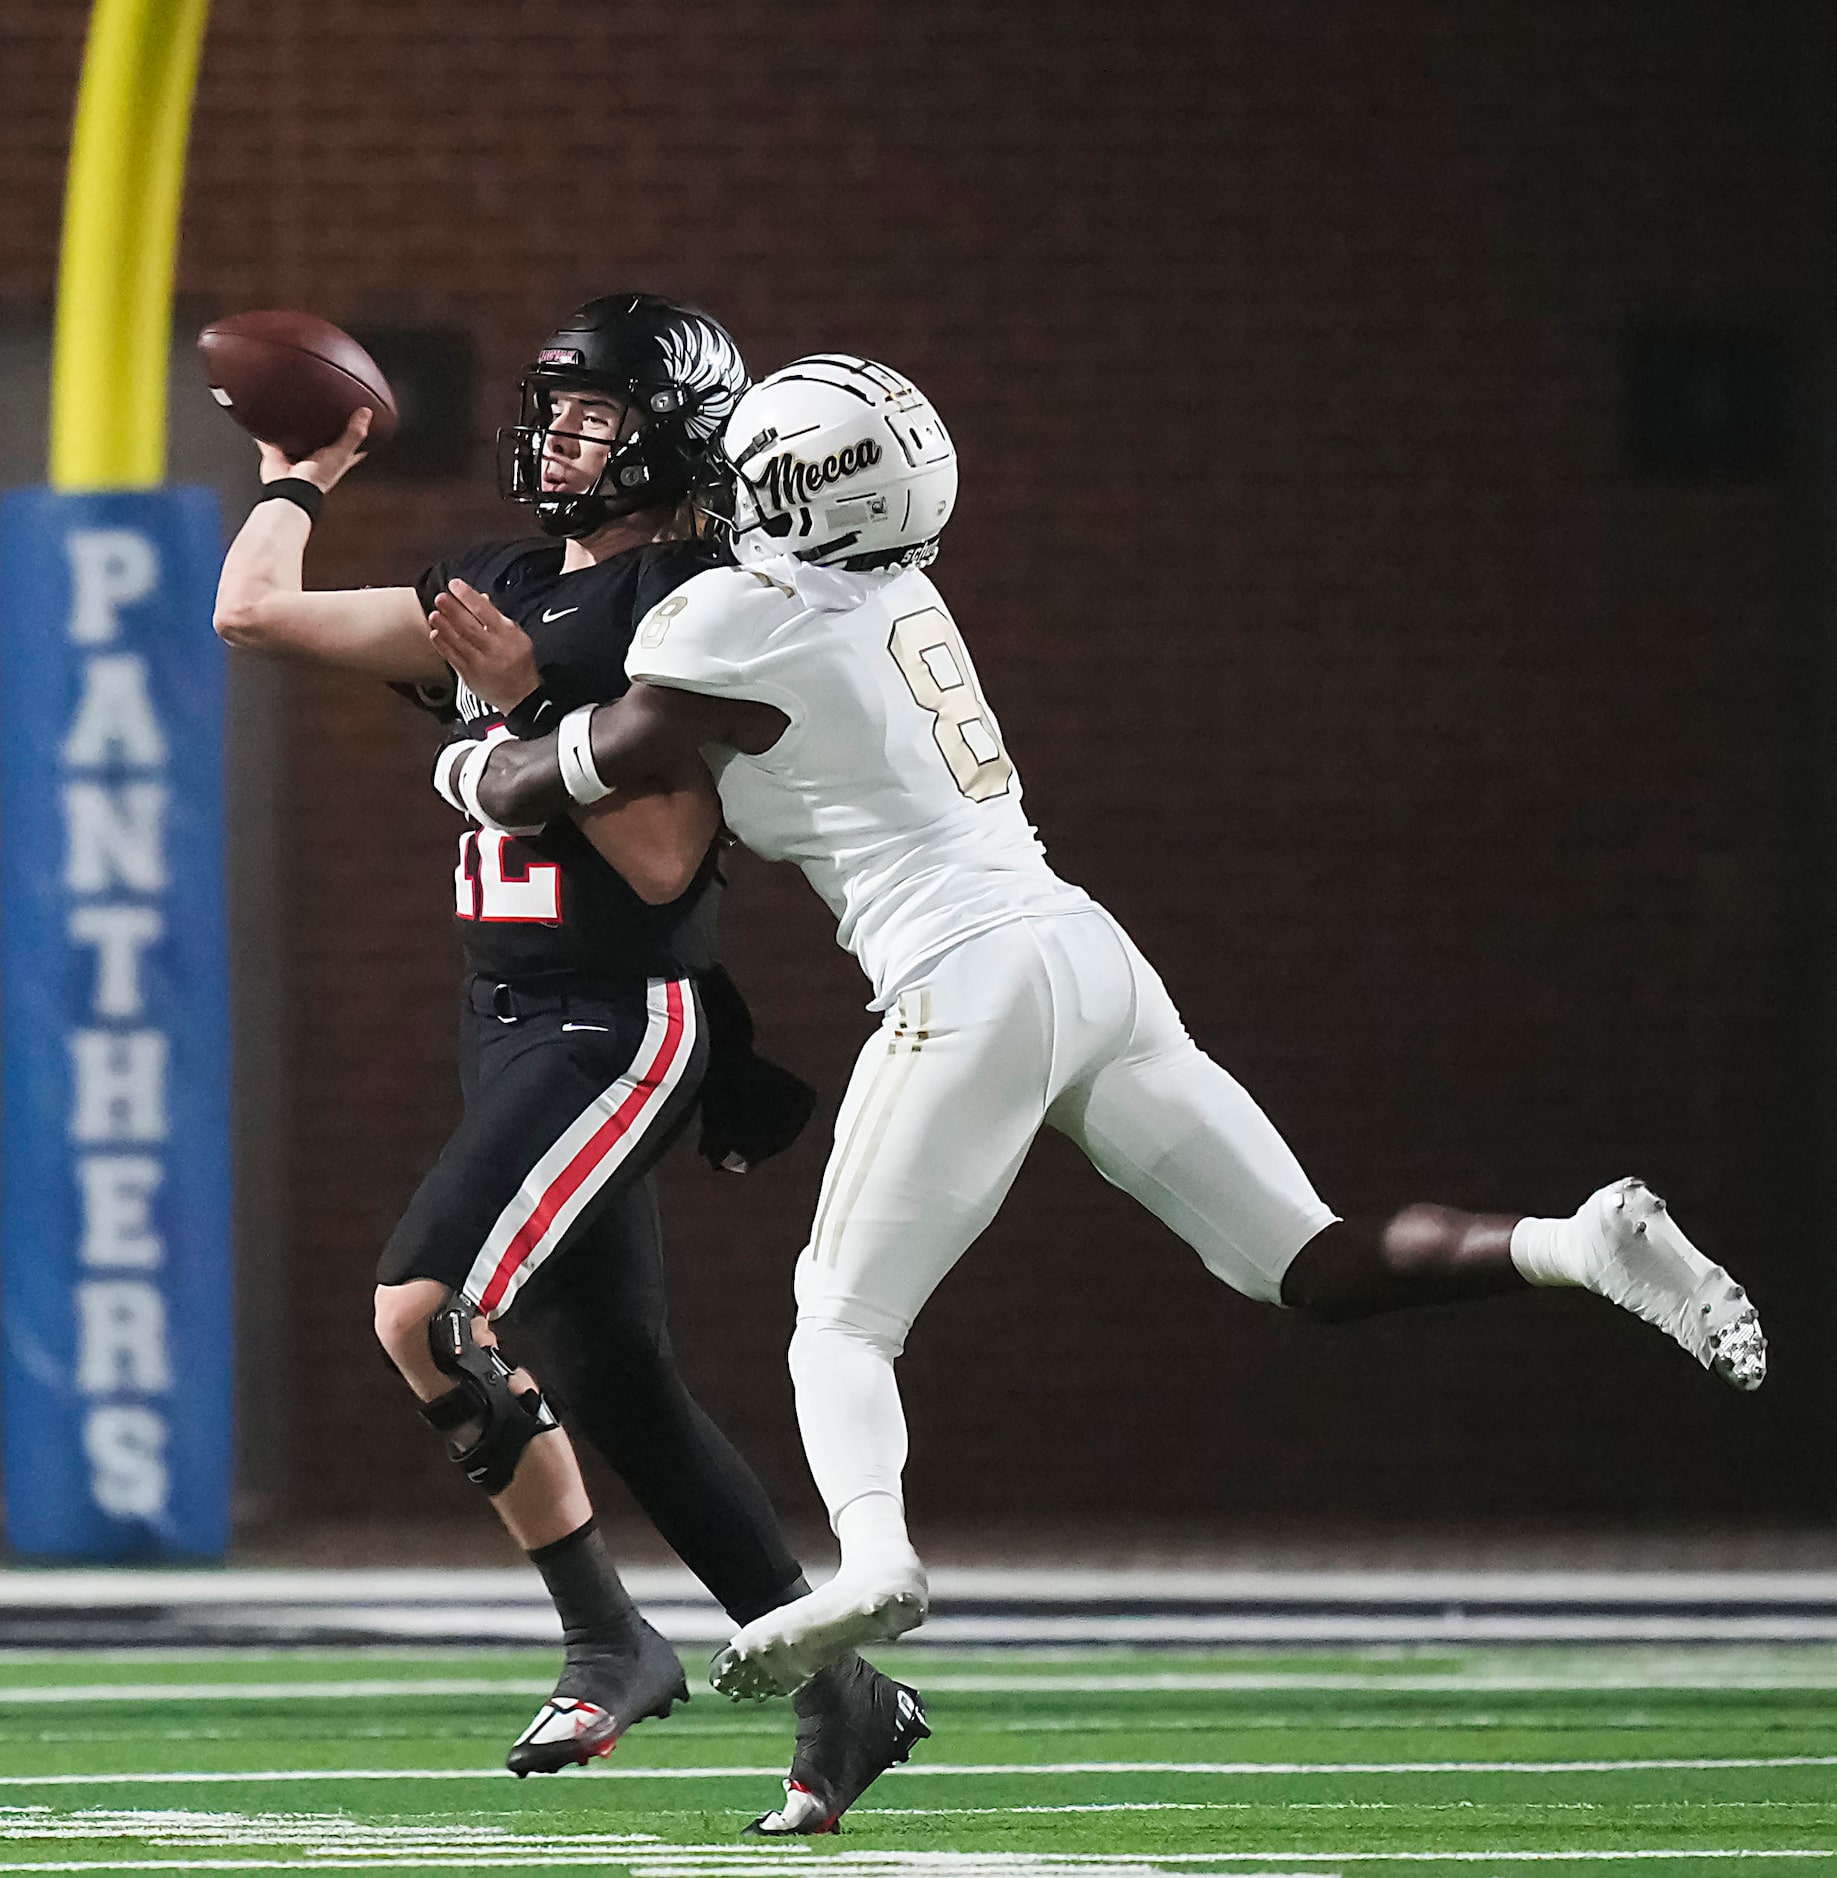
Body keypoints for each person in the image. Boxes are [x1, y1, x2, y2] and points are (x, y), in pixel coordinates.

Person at [432, 351, 1770, 1703]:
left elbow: (558, 775)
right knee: (1301, 1258)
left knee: (836, 1320)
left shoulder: (735, 622)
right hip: (1083, 951)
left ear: (783, 489)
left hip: (964, 976)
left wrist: (484, 724)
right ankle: (1570, 1239)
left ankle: (876, 1559)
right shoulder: (899, 584)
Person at [210, 305, 927, 1833]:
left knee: (425, 1305)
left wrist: (527, 698)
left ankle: (609, 1632)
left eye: (591, 414)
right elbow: (255, 618)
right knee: (618, 1377)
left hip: (620, 1013)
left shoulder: (690, 605)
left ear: (667, 435)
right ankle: (840, 1686)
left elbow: (666, 864)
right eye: (552, 407)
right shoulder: (511, 577)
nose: (556, 437)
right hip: (511, 1013)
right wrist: (301, 468)